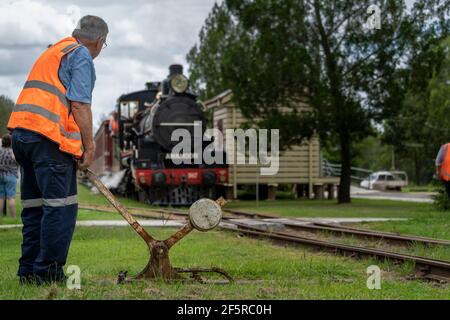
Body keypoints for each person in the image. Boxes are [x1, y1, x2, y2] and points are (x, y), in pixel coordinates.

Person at [7, 15, 108, 285]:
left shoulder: (53, 50)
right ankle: (48, 275)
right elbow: (79, 105)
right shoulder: (82, 55)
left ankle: (28, 272)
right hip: (48, 141)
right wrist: (90, 146)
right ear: (99, 42)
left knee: (35, 208)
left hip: (21, 135)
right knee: (59, 208)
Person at [0, 134, 19, 219]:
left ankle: (1, 217)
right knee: (11, 198)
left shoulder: (0, 151)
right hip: (11, 176)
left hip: (1, 175)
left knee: (1, 198)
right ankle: (14, 217)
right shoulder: (13, 152)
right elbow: (18, 162)